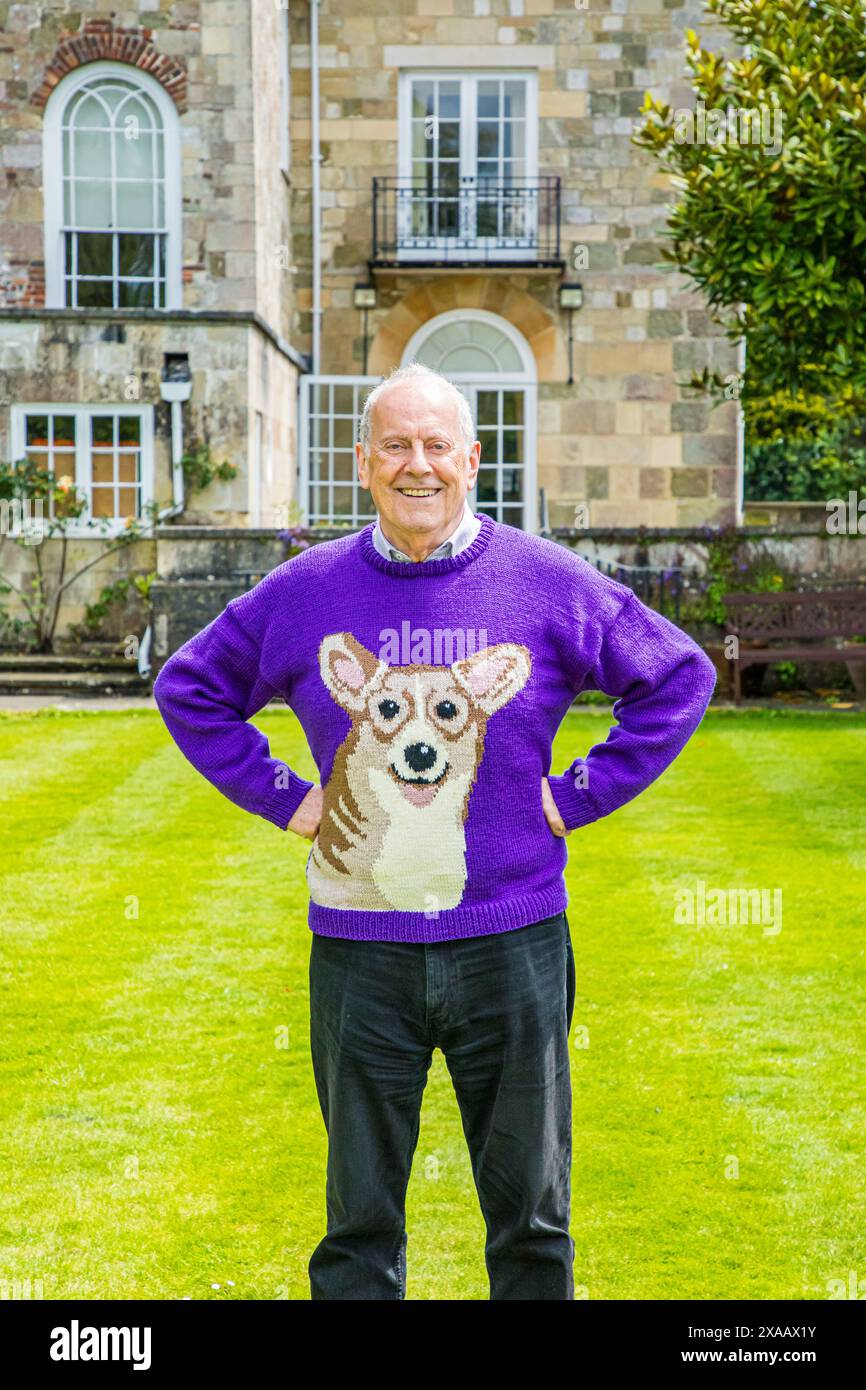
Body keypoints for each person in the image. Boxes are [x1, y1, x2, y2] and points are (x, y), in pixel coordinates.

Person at [153, 361, 717, 1300]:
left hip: (512, 940)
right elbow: (190, 689)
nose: (419, 465)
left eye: (437, 446)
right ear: (365, 463)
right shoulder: (306, 593)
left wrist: (573, 796)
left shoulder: (542, 581)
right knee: (359, 1230)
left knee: (533, 1221)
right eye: (398, 447)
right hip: (361, 948)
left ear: (471, 459)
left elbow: (677, 676)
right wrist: (293, 800)